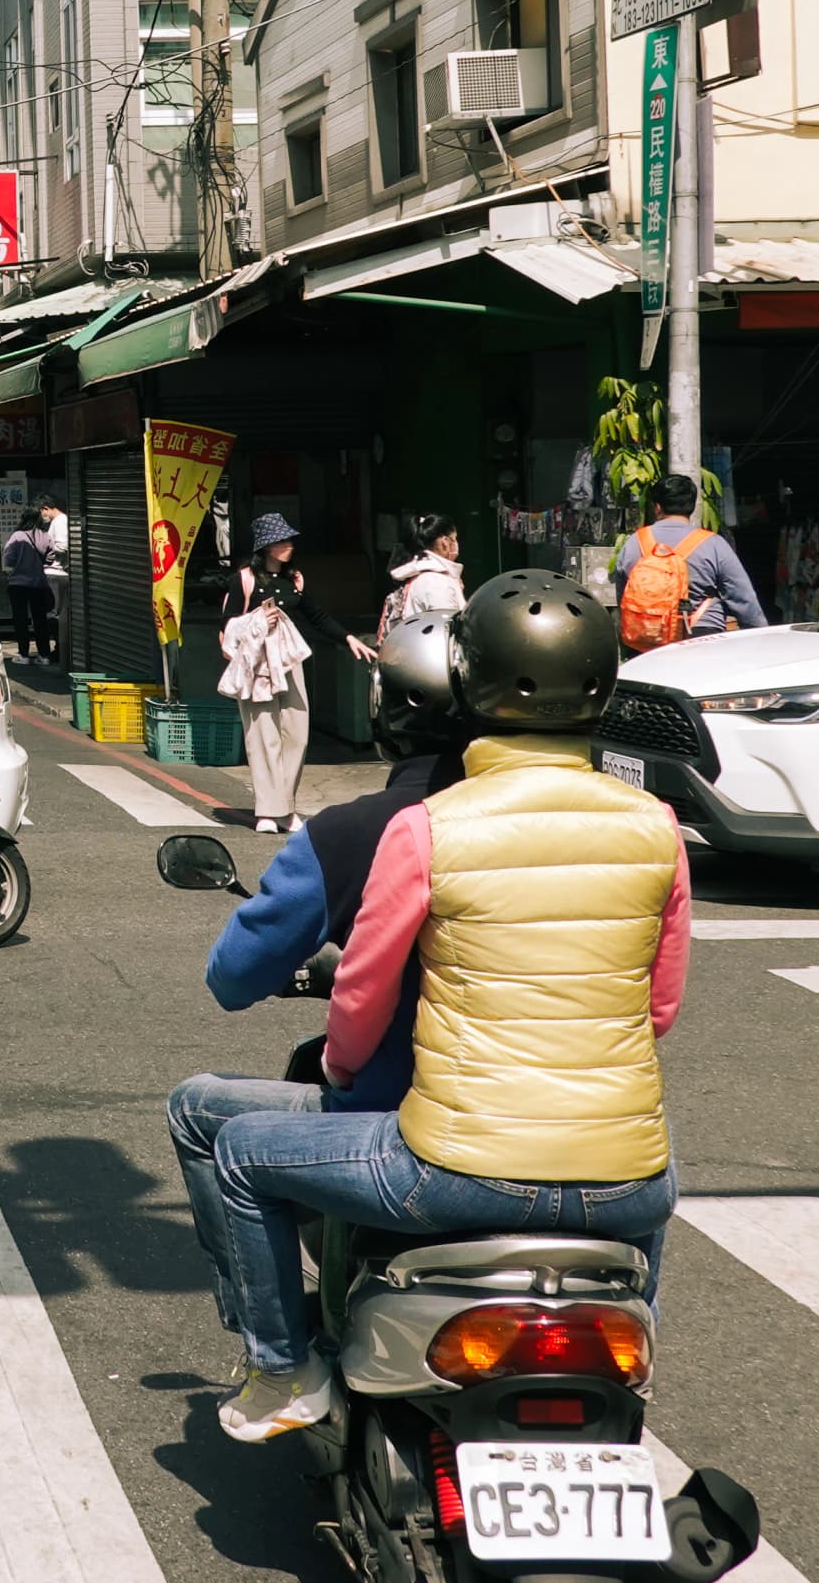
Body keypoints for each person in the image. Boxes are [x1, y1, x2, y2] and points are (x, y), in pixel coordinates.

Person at [198, 573, 690, 1441]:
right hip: (628, 1186)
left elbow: (360, 994)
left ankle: (282, 1371)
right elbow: (657, 1010)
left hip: (457, 1168)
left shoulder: (425, 829)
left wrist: (346, 1072)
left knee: (237, 1152)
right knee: (651, 1195)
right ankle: (626, 1398)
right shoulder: (657, 826)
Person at [165, 610, 466, 1390]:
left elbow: (240, 978)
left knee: (203, 1114)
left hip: (416, 1130)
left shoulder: (370, 831)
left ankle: (278, 1354)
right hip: (594, 1145)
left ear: (386, 711)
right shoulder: (593, 826)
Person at [219, 515, 326, 835]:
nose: (288, 545)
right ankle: (269, 811)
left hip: (290, 664)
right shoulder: (245, 579)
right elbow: (226, 623)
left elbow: (316, 615)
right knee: (263, 737)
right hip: (258, 666)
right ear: (265, 546)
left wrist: (348, 639)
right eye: (281, 541)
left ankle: (285, 807)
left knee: (297, 735)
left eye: (290, 540)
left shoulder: (295, 579)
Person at [614, 473, 767, 644]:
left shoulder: (635, 542)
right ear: (692, 507)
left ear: (657, 507)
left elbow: (623, 596)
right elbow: (742, 597)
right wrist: (760, 636)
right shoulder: (713, 544)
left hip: (648, 637)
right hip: (703, 637)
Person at [378, 512, 469, 632]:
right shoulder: (437, 582)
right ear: (445, 542)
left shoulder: (415, 573)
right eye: (455, 538)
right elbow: (447, 628)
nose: (457, 544)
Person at [0, 513, 52, 661]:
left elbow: (8, 558)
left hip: (18, 583)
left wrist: (19, 562)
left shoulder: (17, 536)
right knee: (40, 619)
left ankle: (24, 654)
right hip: (39, 582)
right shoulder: (45, 535)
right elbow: (51, 557)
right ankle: (44, 654)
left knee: (20, 620)